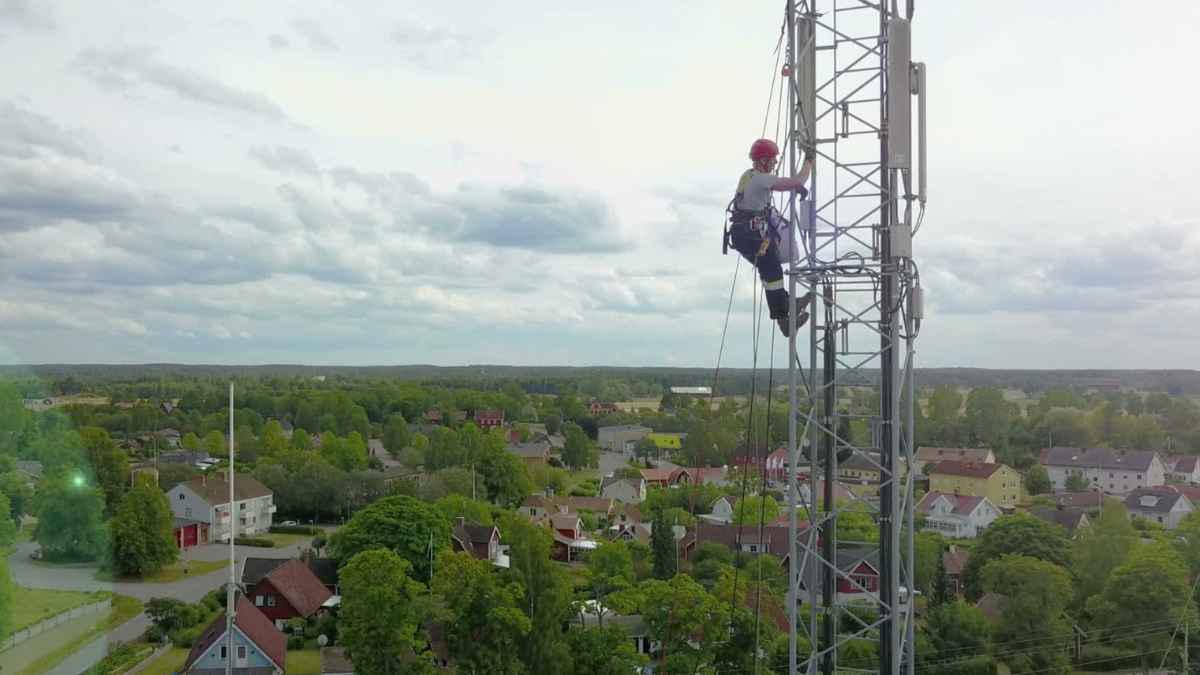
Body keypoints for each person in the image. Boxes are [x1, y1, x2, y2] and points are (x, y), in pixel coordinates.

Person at [727, 138, 816, 337]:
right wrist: (808, 161)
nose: (775, 163)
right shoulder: (760, 178)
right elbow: (797, 181)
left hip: (744, 233)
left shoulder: (749, 176)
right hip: (748, 234)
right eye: (773, 160)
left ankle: (787, 306)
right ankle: (784, 317)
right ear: (764, 160)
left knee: (771, 270)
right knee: (772, 270)